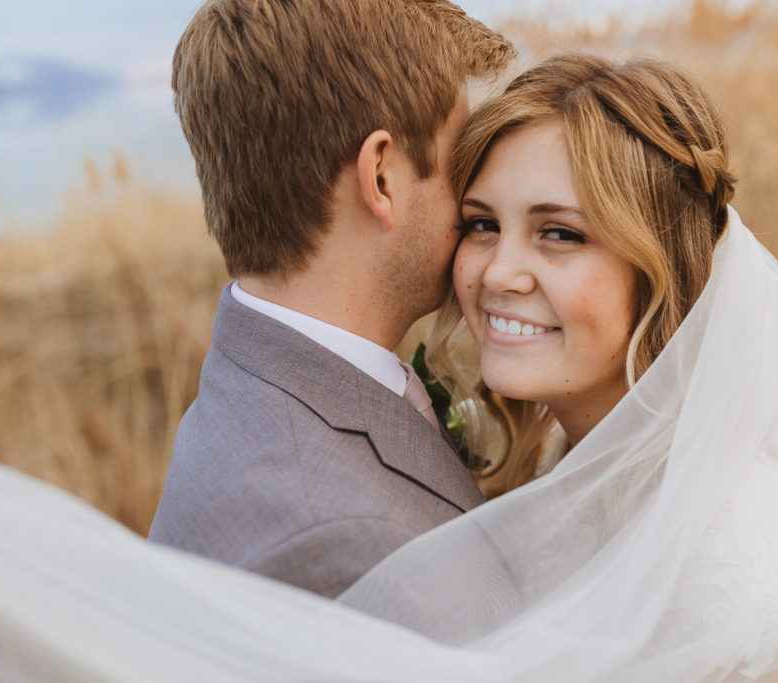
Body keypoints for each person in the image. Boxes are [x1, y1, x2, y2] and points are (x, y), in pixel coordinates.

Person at [0, 54, 778, 682]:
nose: (496, 271)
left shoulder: (751, 566)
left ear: (658, 268)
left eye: (558, 234)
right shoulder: (571, 471)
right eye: (480, 223)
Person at [146, 0, 513, 597]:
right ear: (382, 178)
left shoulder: (248, 382)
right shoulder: (339, 547)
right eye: (461, 162)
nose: (475, 197)